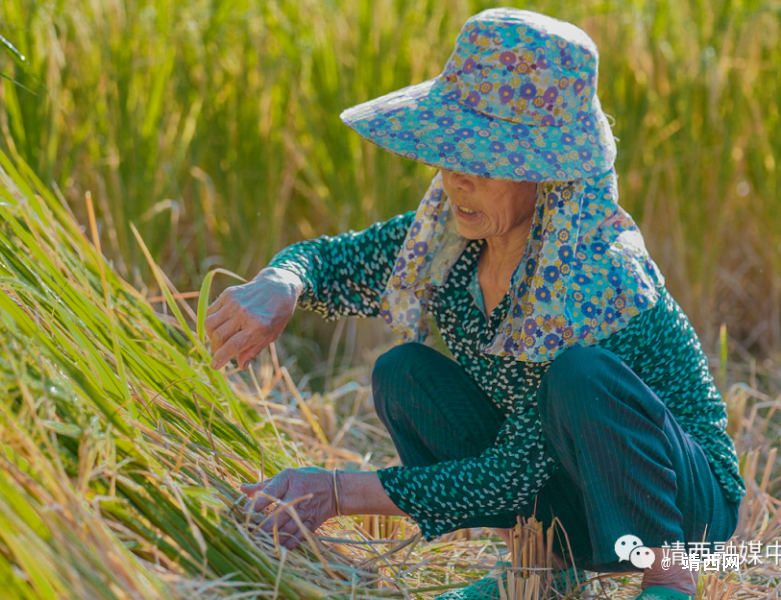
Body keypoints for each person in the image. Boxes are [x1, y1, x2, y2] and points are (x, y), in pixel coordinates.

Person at [203, 8, 745, 600]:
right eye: (451, 152)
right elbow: (335, 262)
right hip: (574, 488)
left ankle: (670, 580)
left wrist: (337, 492)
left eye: (484, 161)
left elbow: (515, 471)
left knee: (579, 375)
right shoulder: (453, 244)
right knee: (403, 374)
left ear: (546, 175)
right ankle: (544, 565)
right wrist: (283, 282)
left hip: (685, 502)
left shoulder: (596, 276)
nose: (456, 178)